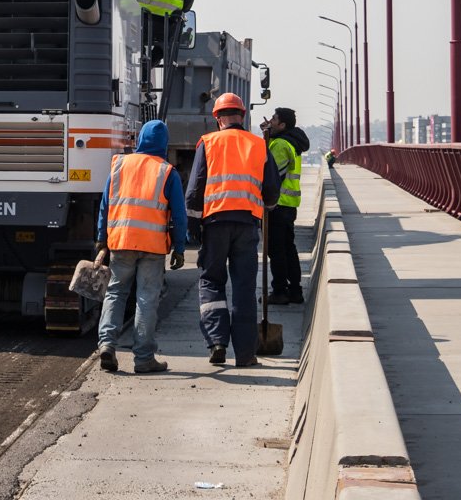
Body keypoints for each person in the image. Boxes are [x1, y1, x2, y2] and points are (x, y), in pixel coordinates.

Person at [185, 93, 281, 367]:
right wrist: (267, 208)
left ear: (217, 119)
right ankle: (246, 354)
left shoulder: (208, 142)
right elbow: (272, 191)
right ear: (243, 116)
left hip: (215, 224)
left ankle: (217, 342)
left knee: (211, 281)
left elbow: (194, 191)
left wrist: (194, 225)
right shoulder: (258, 145)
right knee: (244, 288)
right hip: (248, 224)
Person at [96, 119, 188, 374]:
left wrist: (101, 237)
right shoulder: (167, 172)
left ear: (140, 141)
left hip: (121, 241)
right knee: (146, 299)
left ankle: (107, 345)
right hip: (152, 246)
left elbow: (106, 205)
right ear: (164, 144)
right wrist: (179, 248)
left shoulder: (119, 164)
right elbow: (179, 216)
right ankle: (144, 358)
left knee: (115, 293)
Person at [260, 108, 310, 305]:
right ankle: (295, 290)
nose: (270, 121)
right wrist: (266, 136)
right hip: (289, 205)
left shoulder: (280, 144)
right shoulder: (292, 142)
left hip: (277, 206)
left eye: (273, 119)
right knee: (288, 248)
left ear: (282, 125)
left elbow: (270, 175)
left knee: (277, 250)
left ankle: (279, 291)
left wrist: (266, 141)